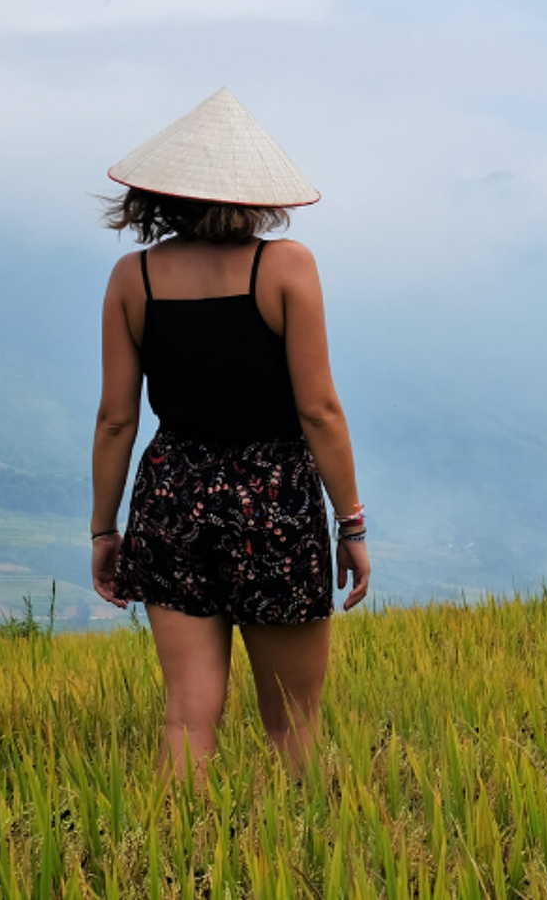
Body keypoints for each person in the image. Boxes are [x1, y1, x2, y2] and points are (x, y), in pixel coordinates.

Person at [87, 87, 370, 780]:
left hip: (172, 498)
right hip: (274, 504)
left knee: (186, 714)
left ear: (163, 194)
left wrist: (104, 529)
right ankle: (303, 865)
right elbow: (320, 411)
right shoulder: (285, 267)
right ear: (254, 196)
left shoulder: (135, 278)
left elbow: (117, 418)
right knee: (293, 725)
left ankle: (170, 865)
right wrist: (352, 523)